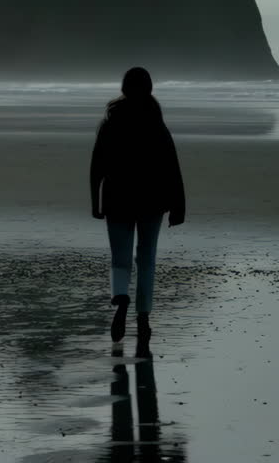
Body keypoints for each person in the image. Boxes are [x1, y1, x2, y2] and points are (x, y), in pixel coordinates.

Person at [90, 67, 185, 350]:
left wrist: (95, 200)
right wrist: (179, 205)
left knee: (120, 259)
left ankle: (121, 301)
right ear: (150, 89)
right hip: (152, 200)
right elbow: (172, 167)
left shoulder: (111, 123)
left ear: (124, 89)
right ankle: (143, 318)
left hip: (117, 199)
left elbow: (97, 166)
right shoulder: (156, 123)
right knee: (146, 259)